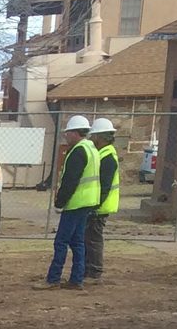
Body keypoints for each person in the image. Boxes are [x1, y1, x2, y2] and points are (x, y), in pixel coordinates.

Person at [44, 115, 100, 289]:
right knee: (77, 242)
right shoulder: (92, 149)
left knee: (61, 241)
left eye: (68, 133)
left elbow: (70, 180)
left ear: (75, 133)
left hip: (76, 202)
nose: (66, 136)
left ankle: (53, 279)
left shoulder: (77, 151)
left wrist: (60, 202)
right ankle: (76, 279)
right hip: (88, 202)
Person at [86, 116, 120, 281]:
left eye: (93, 136)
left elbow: (104, 187)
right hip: (98, 205)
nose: (91, 139)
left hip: (100, 207)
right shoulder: (104, 154)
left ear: (100, 137)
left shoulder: (107, 158)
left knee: (93, 239)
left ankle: (94, 272)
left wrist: (94, 205)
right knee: (90, 238)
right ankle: (90, 270)